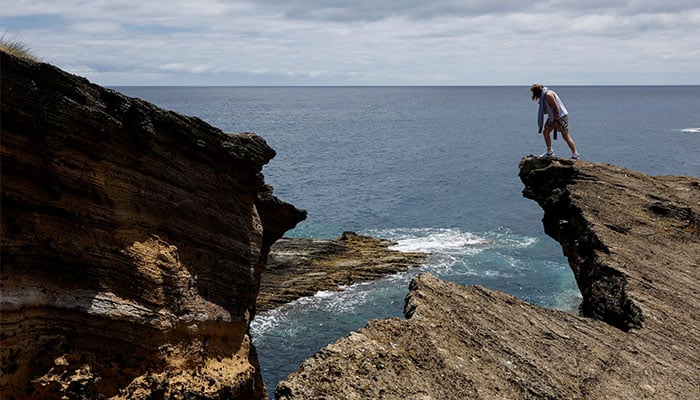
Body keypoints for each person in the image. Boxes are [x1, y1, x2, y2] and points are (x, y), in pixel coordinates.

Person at [530, 84, 580, 159]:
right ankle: (549, 152)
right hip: (553, 117)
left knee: (565, 135)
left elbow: (556, 108)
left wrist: (555, 121)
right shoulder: (545, 95)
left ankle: (575, 154)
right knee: (546, 132)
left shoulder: (548, 95)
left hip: (560, 116)